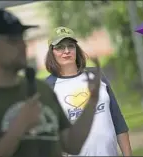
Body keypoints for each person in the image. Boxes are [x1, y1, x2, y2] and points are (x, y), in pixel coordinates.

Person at [0, 9, 101, 157]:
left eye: (22, 38)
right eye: (12, 40)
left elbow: (72, 145)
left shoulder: (41, 89)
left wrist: (93, 100)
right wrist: (18, 128)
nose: (23, 45)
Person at [45, 27, 132, 156]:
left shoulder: (97, 75)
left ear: (76, 49)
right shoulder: (48, 87)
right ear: (52, 52)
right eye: (59, 47)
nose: (67, 51)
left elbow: (118, 121)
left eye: (71, 46)